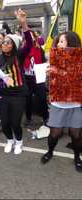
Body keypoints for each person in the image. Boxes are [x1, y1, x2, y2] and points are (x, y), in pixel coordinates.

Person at [0, 9, 33, 154]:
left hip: (18, 94)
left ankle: (19, 142)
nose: (4, 44)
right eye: (3, 42)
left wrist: (23, 24)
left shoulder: (19, 55)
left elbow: (29, 44)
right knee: (5, 123)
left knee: (15, 122)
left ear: (14, 45)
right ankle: (10, 140)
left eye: (8, 42)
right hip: (3, 95)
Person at [40, 31, 82, 172]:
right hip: (58, 104)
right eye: (58, 41)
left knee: (76, 134)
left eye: (62, 41)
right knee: (55, 133)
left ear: (71, 43)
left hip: (76, 104)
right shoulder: (53, 59)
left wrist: (57, 72)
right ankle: (50, 152)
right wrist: (47, 75)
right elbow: (49, 85)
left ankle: (77, 157)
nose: (58, 44)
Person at [23, 31, 49, 127]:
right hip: (27, 77)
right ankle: (28, 118)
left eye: (32, 36)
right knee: (28, 99)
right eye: (28, 37)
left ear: (35, 37)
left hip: (38, 76)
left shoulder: (39, 49)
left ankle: (46, 117)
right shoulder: (23, 49)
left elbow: (44, 62)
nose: (30, 38)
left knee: (42, 98)